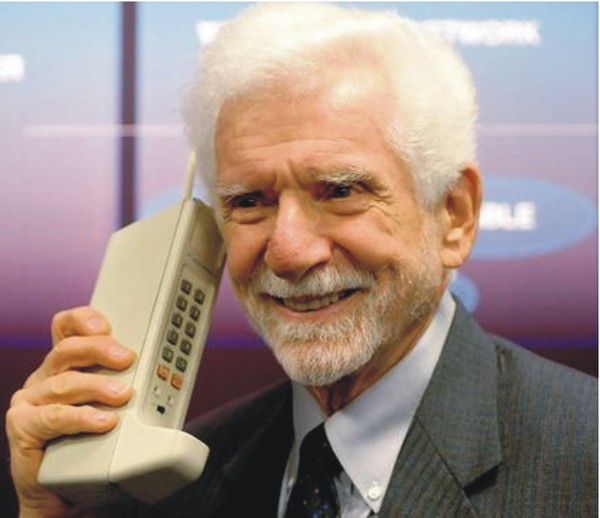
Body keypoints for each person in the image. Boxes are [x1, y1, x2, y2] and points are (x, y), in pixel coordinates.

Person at [6, 4, 597, 517]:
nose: (288, 252)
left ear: (454, 214)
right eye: (249, 201)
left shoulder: (584, 457)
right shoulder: (169, 492)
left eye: (340, 191)